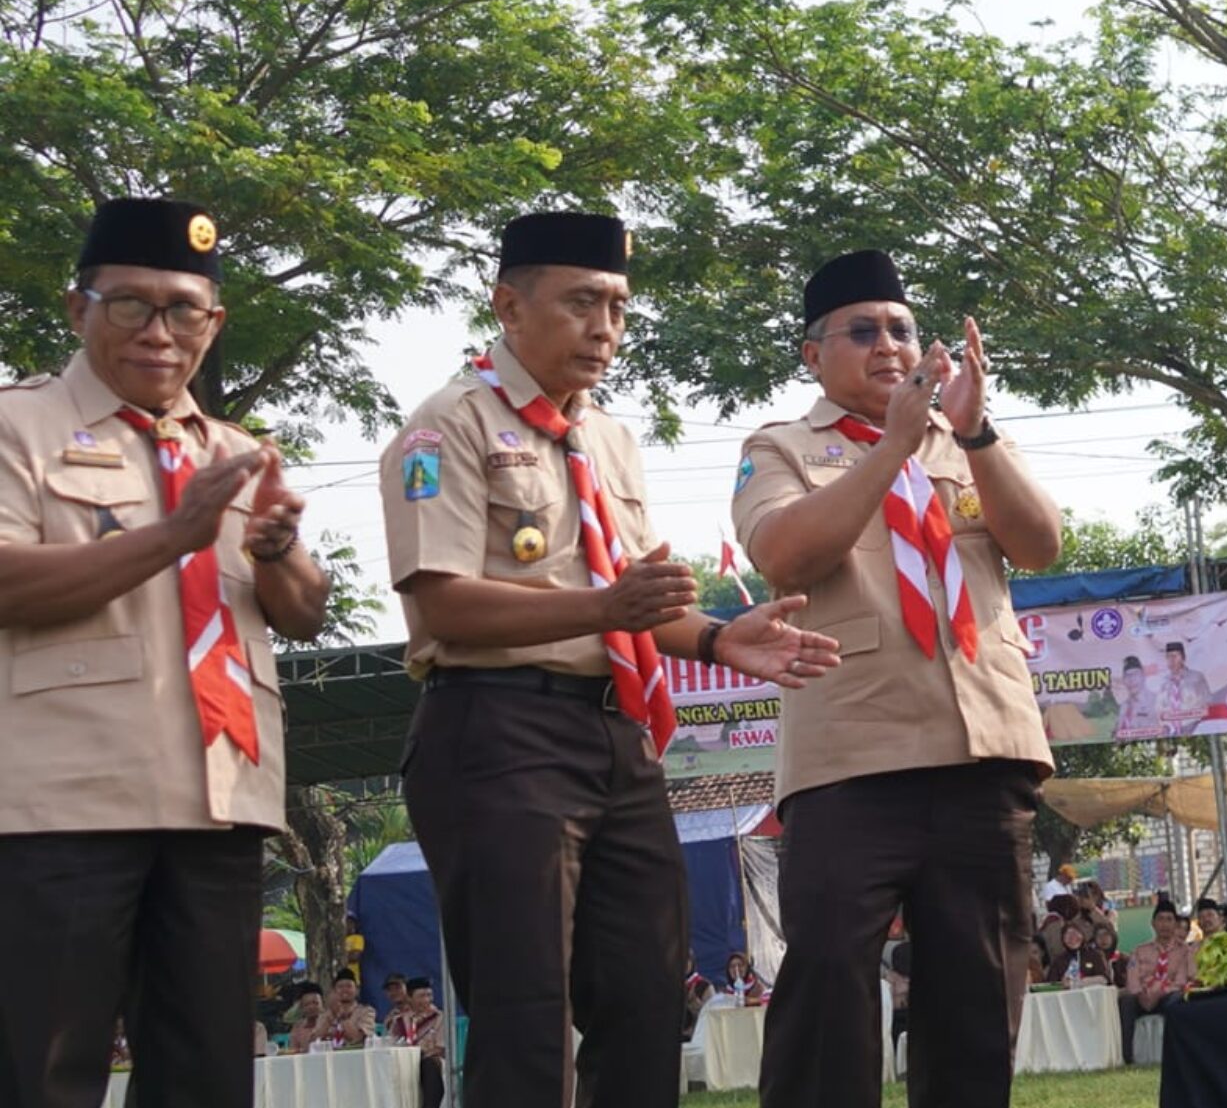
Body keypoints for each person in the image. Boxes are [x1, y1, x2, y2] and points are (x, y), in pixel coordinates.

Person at [382, 211, 841, 1106]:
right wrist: (605, 608)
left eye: (620, 308)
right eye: (583, 302)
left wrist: (714, 638)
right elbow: (438, 602)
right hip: (496, 731)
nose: (605, 328)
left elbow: (635, 596)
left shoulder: (608, 437)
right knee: (525, 1016)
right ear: (509, 306)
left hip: (616, 739)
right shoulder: (446, 427)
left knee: (643, 996)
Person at [0, 198, 326, 1108]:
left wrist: (275, 552)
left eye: (184, 310)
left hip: (219, 804)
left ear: (213, 323)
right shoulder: (17, 427)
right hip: (61, 806)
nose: (160, 331)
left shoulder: (236, 452)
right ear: (78, 309)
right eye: (130, 305)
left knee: (205, 1074)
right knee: (44, 1070)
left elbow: (301, 613)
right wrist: (177, 533)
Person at [736, 249, 1060, 1108]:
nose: (889, 347)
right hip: (853, 758)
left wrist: (976, 432)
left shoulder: (967, 437)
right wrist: (892, 448)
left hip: (984, 748)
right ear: (812, 354)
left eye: (904, 330)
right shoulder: (781, 448)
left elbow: (1039, 545)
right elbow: (785, 553)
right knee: (830, 987)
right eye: (864, 331)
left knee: (977, 998)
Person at [1119, 897, 1195, 1065]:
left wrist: (1159, 991)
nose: (1165, 924)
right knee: (1126, 1001)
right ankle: (1127, 1057)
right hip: (1142, 996)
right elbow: (1132, 978)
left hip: (1167, 995)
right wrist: (1141, 993)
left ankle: (1175, 1055)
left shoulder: (1185, 951)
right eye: (1160, 919)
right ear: (1153, 923)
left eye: (1169, 920)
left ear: (1175, 925)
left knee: (1177, 999)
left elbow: (1182, 980)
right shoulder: (1140, 950)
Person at [385, 977, 448, 1108]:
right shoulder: (399, 1021)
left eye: (429, 995)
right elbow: (390, 1045)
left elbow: (441, 1048)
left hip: (430, 1061)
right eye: (421, 996)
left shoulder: (440, 1017)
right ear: (409, 998)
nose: (427, 1000)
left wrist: (419, 1055)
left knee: (429, 1066)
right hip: (404, 1063)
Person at [1094, 923, 1129, 988]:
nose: (1103, 939)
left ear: (1113, 936)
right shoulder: (1091, 960)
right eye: (1099, 935)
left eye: (1106, 934)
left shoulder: (1125, 960)